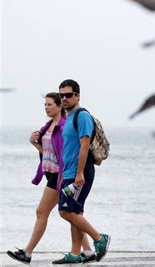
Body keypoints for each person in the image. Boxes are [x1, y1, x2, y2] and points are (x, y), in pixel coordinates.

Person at [7, 93, 96, 264]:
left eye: (50, 104)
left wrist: (71, 175)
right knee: (72, 213)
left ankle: (27, 252)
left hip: (60, 175)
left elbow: (65, 154)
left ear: (59, 106)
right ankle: (88, 250)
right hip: (52, 174)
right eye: (45, 105)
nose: (46, 107)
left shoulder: (63, 126)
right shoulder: (48, 126)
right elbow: (49, 153)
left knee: (44, 212)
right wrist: (35, 144)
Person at [52, 80, 110, 264]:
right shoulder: (69, 117)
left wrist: (79, 174)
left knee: (65, 211)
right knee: (75, 212)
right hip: (69, 172)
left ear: (77, 95)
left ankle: (100, 239)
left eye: (69, 95)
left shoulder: (82, 116)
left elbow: (84, 146)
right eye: (62, 95)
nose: (65, 98)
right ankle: (76, 254)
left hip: (80, 171)